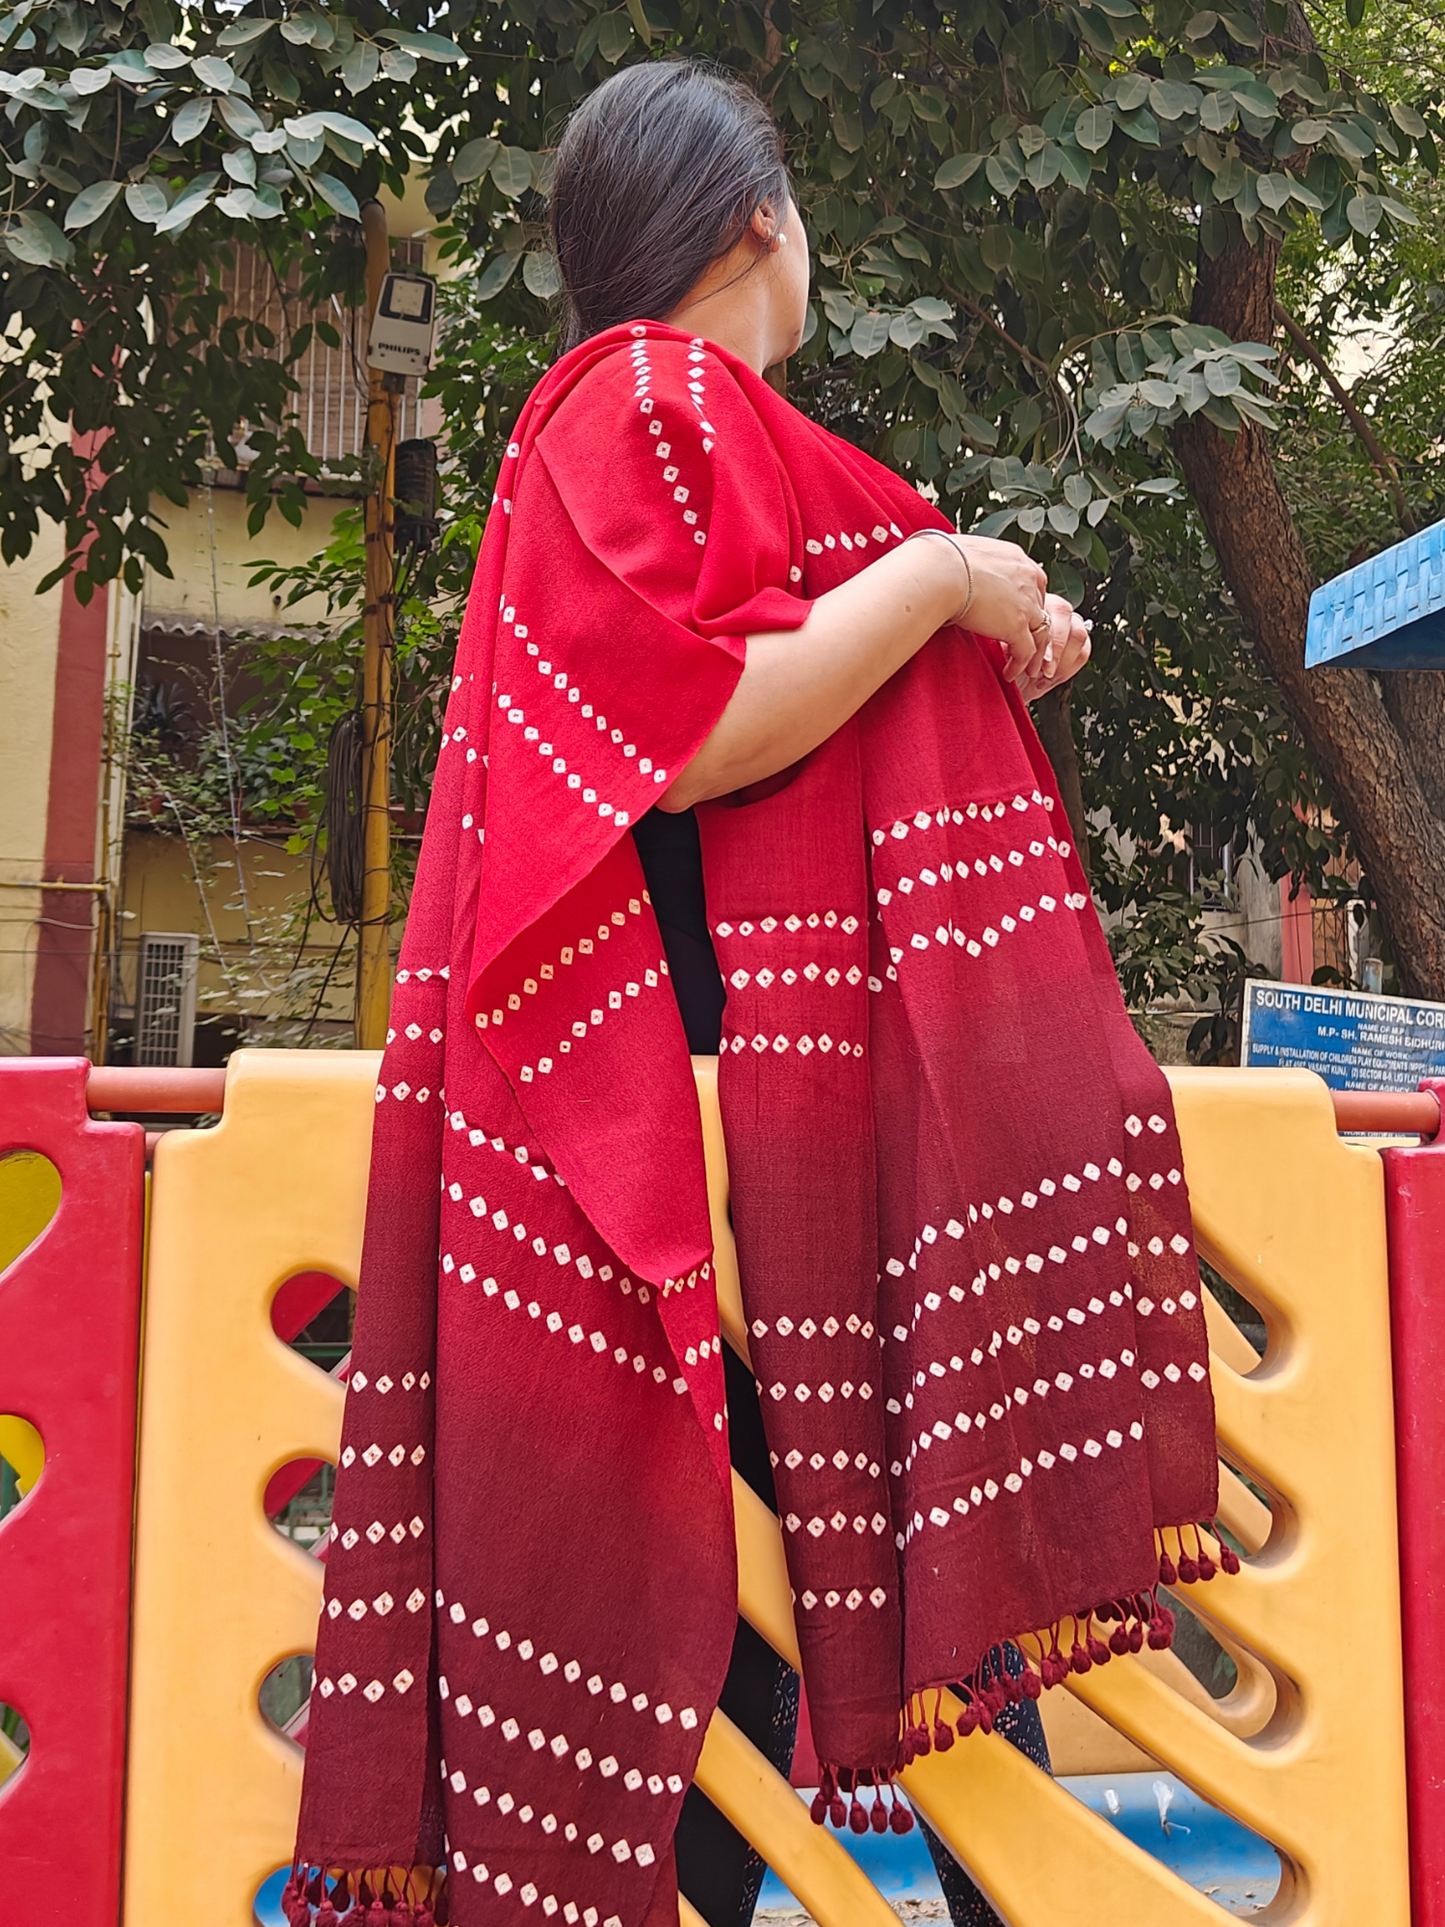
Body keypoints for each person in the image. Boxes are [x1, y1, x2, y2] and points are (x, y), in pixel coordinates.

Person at [286, 60, 1225, 1927]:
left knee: (768, 1631)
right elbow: (699, 724)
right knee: (769, 1619)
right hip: (687, 1148)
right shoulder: (644, 391)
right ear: (751, 223)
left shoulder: (718, 438)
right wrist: (952, 575)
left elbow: (801, 669)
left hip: (739, 1149)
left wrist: (970, 629)